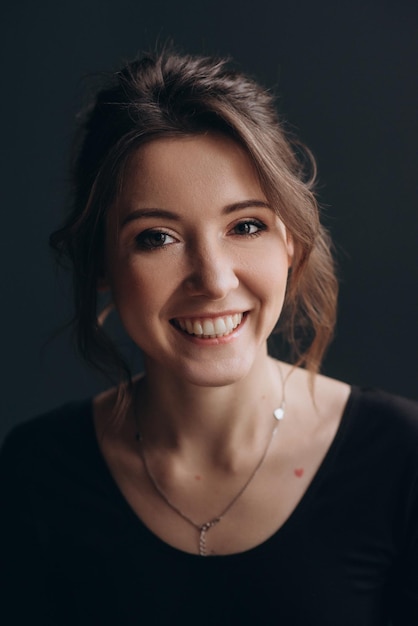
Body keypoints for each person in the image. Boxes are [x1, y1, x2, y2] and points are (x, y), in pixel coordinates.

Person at [1, 47, 417, 626]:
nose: (215, 280)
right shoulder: (34, 473)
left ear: (291, 240)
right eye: (158, 238)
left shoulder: (402, 457)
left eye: (246, 226)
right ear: (99, 264)